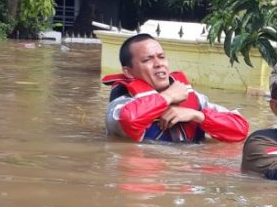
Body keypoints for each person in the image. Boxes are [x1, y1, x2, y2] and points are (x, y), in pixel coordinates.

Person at [102, 33, 249, 143]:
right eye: (147, 60)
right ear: (129, 72)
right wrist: (168, 97)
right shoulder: (119, 106)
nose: (159, 64)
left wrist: (197, 115)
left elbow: (241, 129)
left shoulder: (193, 99)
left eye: (161, 57)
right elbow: (130, 120)